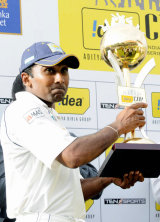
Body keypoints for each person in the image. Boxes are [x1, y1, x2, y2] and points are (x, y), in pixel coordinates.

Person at [0, 41, 147, 222]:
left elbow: (74, 190)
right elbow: (73, 156)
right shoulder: (23, 110)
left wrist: (109, 178)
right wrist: (118, 126)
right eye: (50, 71)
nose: (60, 78)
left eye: (64, 70)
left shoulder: (50, 117)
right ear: (26, 79)